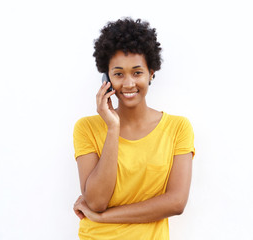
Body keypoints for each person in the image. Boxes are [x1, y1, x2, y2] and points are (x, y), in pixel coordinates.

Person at [72, 18, 195, 240]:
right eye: (118, 74)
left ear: (151, 73)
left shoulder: (178, 128)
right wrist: (112, 128)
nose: (128, 84)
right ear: (106, 78)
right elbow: (97, 202)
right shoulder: (87, 128)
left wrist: (103, 217)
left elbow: (176, 202)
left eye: (137, 72)